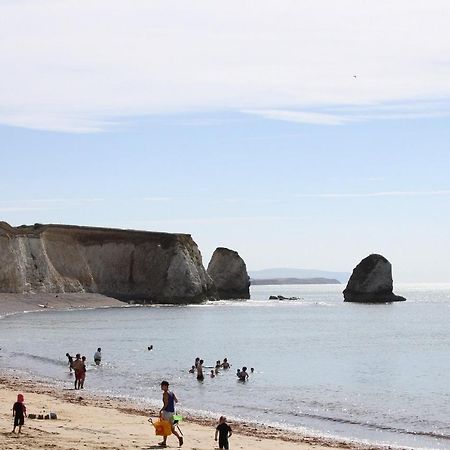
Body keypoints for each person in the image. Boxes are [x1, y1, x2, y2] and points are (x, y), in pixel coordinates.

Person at [159, 381, 183, 447]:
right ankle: (179, 437)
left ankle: (164, 442)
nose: (161, 387)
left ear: (165, 386)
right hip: (173, 412)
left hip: (167, 412)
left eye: (162, 386)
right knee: (173, 429)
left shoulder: (165, 393)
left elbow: (166, 404)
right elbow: (176, 401)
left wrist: (160, 410)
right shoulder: (172, 392)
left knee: (165, 427)